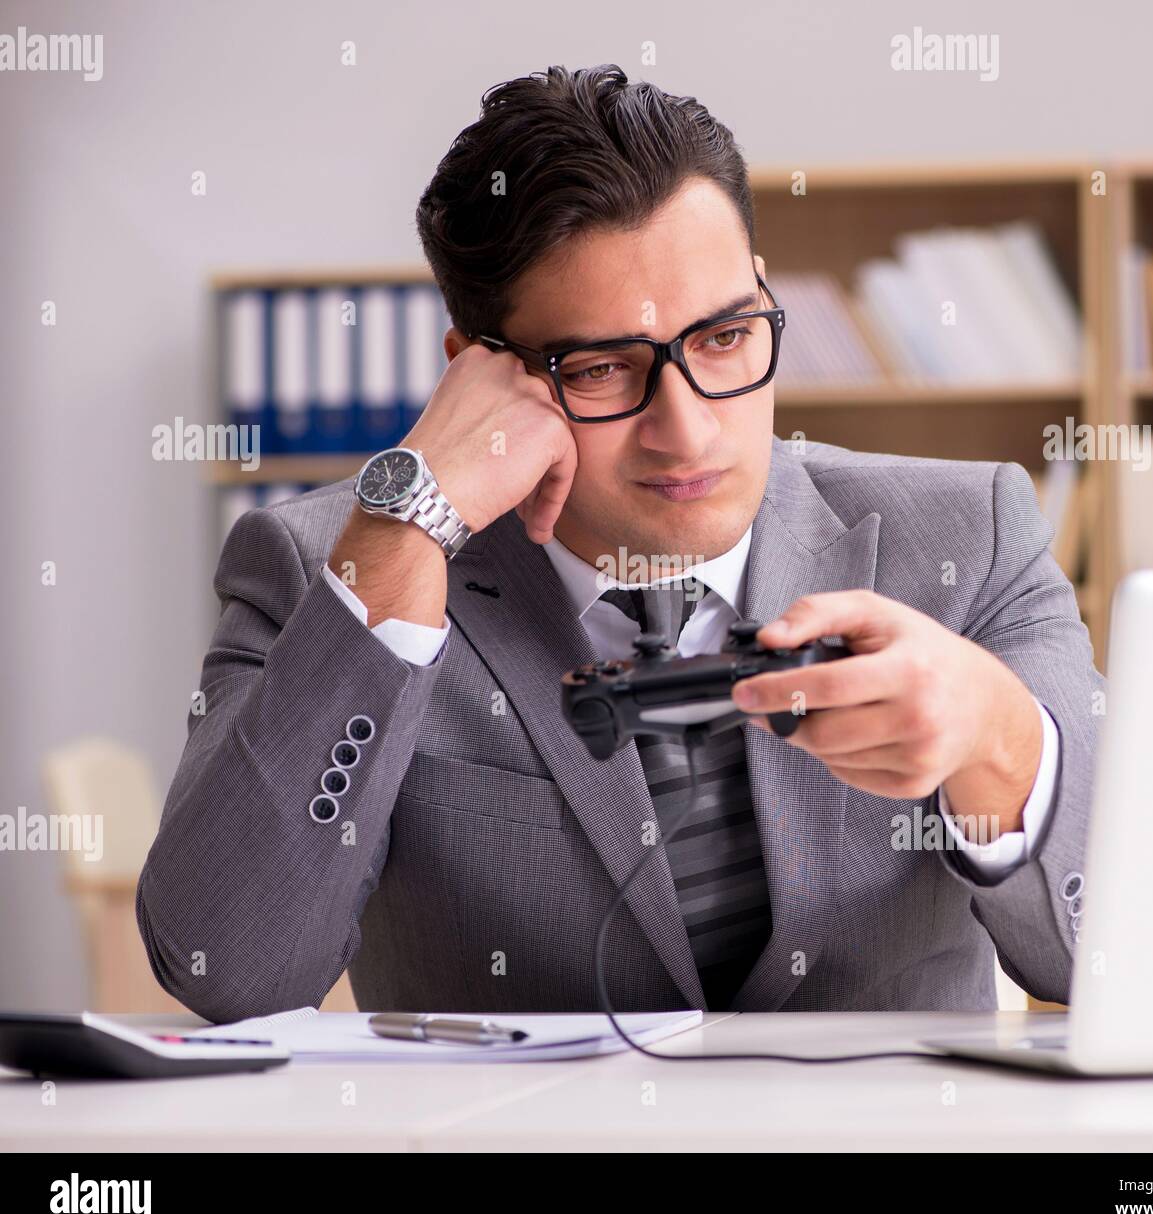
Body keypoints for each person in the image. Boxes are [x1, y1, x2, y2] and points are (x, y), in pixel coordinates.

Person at [137, 64, 1103, 1024]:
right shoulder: (328, 572)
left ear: (766, 297)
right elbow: (228, 967)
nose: (686, 432)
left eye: (725, 338)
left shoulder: (970, 538)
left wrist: (998, 736)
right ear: (476, 377)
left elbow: (1110, 956)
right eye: (603, 369)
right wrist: (405, 525)